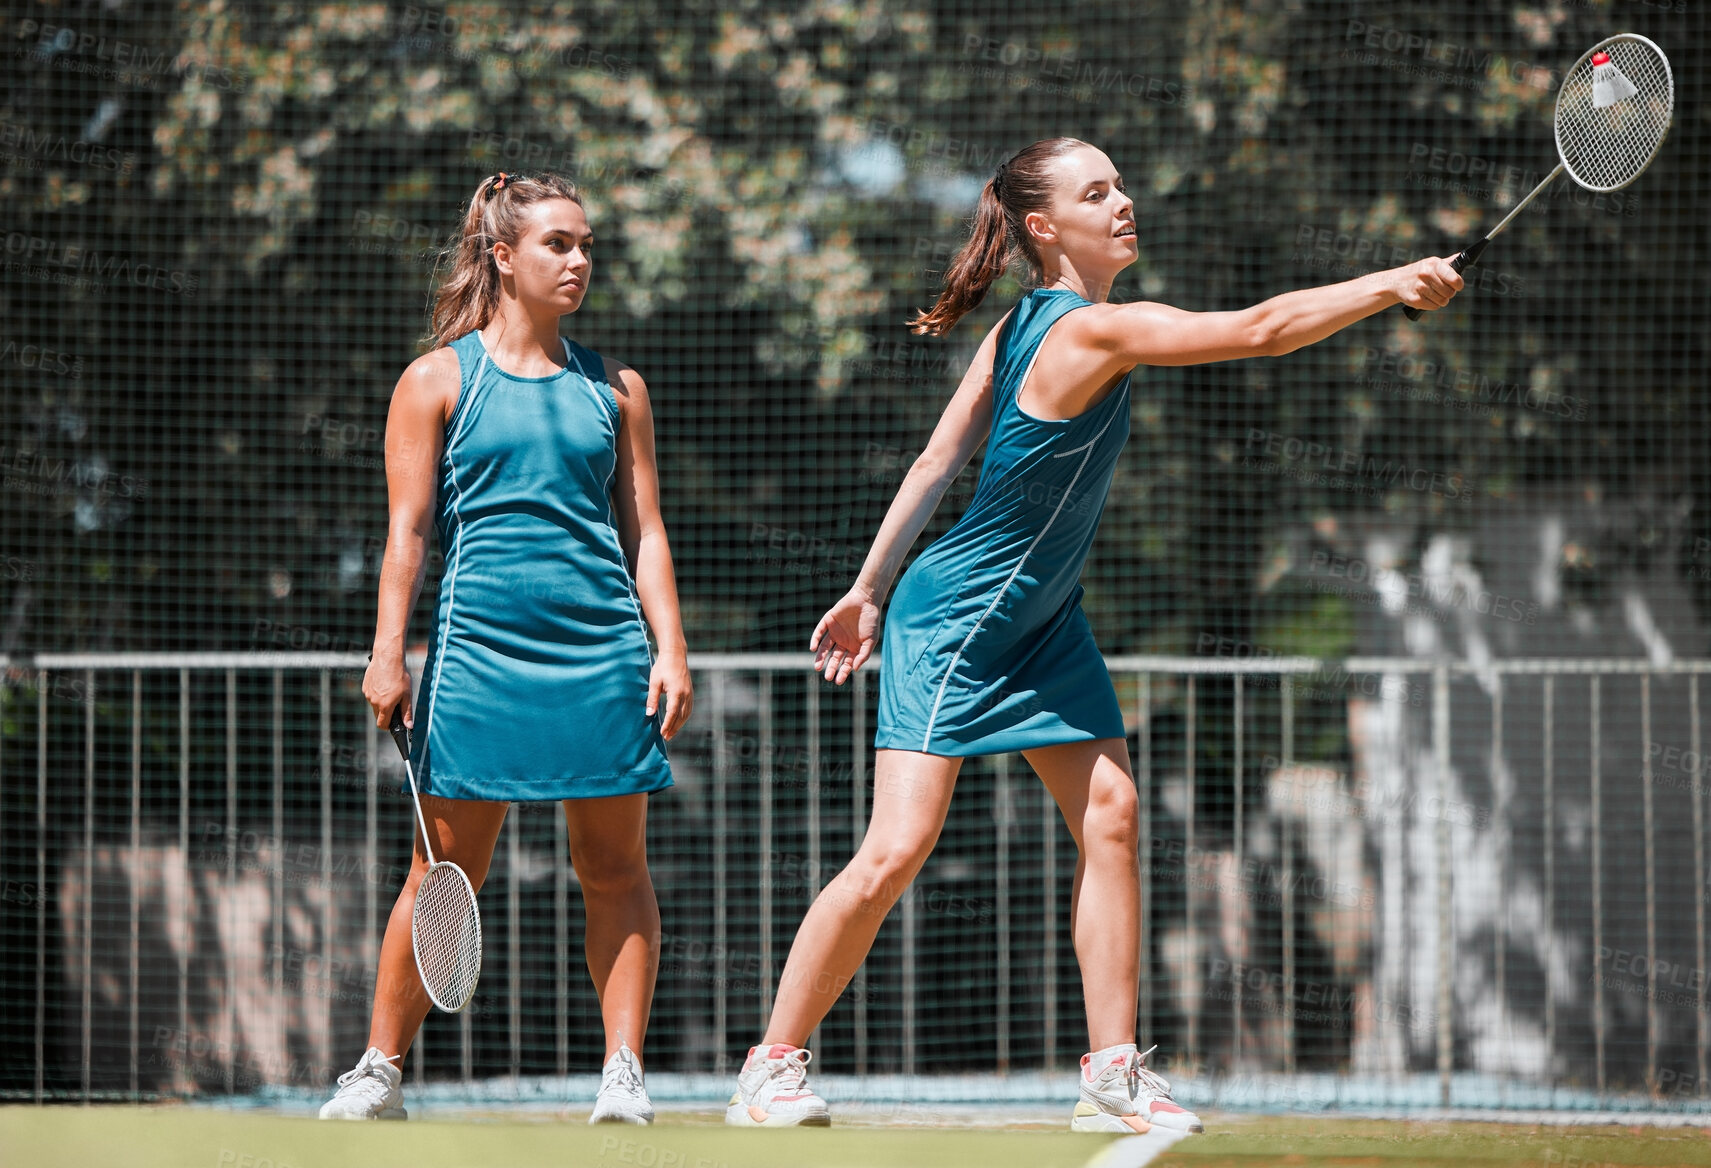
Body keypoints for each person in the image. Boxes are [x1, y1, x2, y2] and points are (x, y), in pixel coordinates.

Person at [725, 138, 1462, 1133]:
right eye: (1096, 191)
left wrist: (863, 585)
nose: (1124, 201)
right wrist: (1390, 283)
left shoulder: (1022, 323)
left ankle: (1111, 1072)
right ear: (1043, 227)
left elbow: (939, 459)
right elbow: (1258, 328)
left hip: (1044, 621)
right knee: (896, 848)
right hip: (960, 619)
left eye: (1121, 182)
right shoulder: (1081, 331)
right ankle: (770, 1065)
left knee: (1110, 813)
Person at [320, 172, 694, 1124]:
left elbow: (647, 531)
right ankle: (379, 1071)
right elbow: (405, 534)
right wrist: (386, 651)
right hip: (476, 658)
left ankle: (621, 1074)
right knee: (437, 871)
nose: (578, 262)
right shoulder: (437, 379)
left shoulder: (617, 388)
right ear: (502, 256)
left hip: (602, 655)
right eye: (557, 244)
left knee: (615, 870)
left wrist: (672, 648)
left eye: (586, 246)